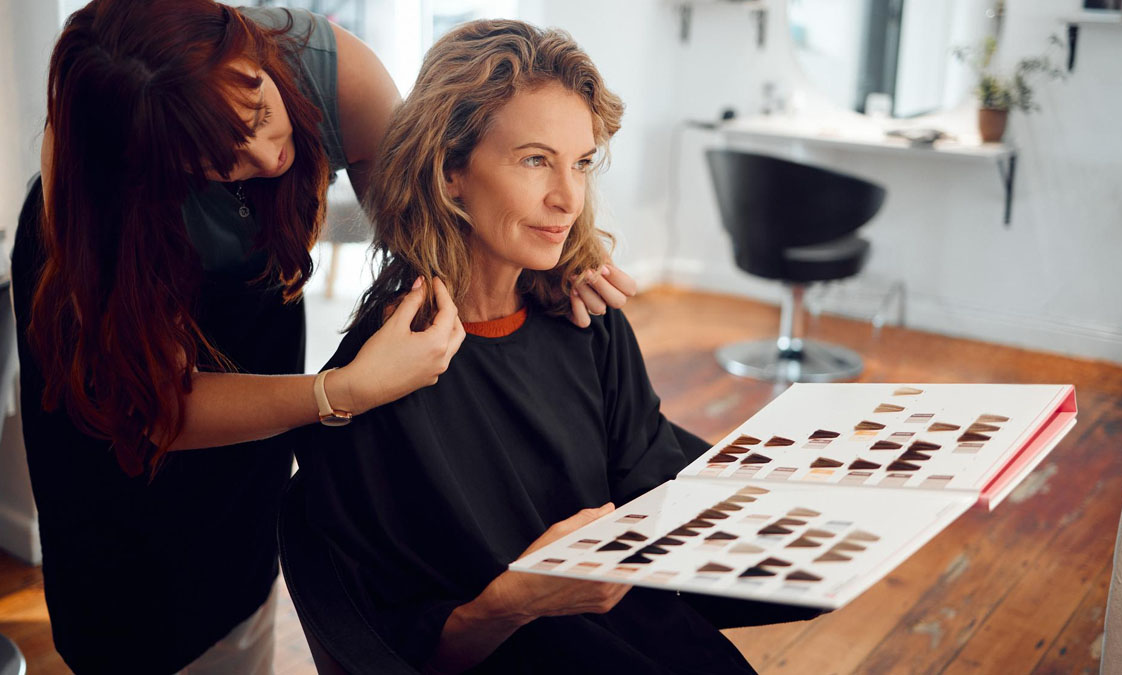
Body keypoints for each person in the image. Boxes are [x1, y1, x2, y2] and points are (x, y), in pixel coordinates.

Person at [12, 2, 635, 673]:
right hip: (119, 353)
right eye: (216, 159)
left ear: (249, 52)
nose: (266, 156)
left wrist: (552, 255)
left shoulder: (335, 76)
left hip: (252, 310)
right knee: (127, 598)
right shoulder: (91, 188)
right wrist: (340, 391)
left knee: (238, 543)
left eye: (255, 117)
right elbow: (157, 408)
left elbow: (430, 219)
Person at [296, 19, 787, 673]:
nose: (567, 197)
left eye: (580, 163)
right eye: (535, 160)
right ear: (450, 175)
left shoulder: (588, 321)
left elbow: (655, 492)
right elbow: (389, 651)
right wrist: (514, 601)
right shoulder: (377, 385)